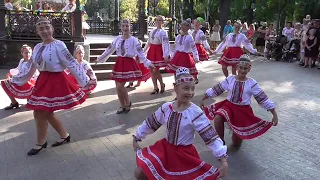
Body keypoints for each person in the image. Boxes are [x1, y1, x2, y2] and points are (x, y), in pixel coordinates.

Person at [12, 18, 94, 156]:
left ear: (52, 29)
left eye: (47, 27)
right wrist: (18, 79)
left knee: (39, 112)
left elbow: (71, 62)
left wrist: (85, 80)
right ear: (37, 32)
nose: (44, 31)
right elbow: (32, 67)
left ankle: (40, 142)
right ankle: (64, 135)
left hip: (55, 80)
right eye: (41, 29)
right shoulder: (37, 47)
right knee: (46, 112)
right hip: (42, 80)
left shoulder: (59, 45)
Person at [132, 67, 228, 180]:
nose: (190, 92)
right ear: (176, 87)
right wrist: (137, 136)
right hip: (165, 150)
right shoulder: (166, 108)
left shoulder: (195, 112)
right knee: (140, 172)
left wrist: (223, 160)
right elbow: (151, 123)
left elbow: (210, 136)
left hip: (184, 154)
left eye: (193, 89)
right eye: (186, 88)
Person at [200, 55, 278, 148]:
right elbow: (217, 89)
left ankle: (235, 131)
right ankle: (220, 142)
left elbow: (263, 98)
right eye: (241, 67)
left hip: (243, 111)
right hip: (228, 106)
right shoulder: (230, 79)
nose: (243, 70)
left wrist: (274, 115)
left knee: (236, 144)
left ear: (249, 69)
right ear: (237, 67)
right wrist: (203, 98)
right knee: (218, 117)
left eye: (245, 68)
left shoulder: (251, 83)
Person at [95, 19, 154, 114]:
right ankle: (122, 105)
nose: (125, 28)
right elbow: (109, 49)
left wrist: (148, 63)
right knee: (117, 86)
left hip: (128, 63)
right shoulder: (117, 39)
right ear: (120, 27)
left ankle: (128, 102)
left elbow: (141, 53)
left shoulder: (134, 40)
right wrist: (100, 58)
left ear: (130, 27)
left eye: (127, 26)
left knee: (120, 86)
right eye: (123, 26)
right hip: (119, 63)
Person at [1, 45, 39, 110]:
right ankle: (14, 102)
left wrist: (14, 80)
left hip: (30, 80)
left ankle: (31, 100)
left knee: (28, 85)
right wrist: (10, 73)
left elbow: (29, 74)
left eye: (29, 52)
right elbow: (18, 69)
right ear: (22, 53)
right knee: (5, 83)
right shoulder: (22, 61)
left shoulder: (32, 62)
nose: (28, 54)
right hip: (21, 79)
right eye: (26, 53)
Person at [166, 18, 200, 84]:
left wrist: (196, 57)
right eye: (181, 26)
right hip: (178, 55)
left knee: (187, 70)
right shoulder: (178, 36)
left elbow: (193, 48)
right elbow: (175, 47)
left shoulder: (189, 37)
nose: (182, 27)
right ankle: (176, 81)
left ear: (188, 27)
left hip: (185, 56)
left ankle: (190, 80)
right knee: (176, 69)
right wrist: (172, 56)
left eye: (183, 26)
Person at [143, 15, 170, 94]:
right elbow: (149, 42)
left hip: (158, 51)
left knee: (156, 70)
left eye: (160, 20)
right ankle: (155, 87)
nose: (158, 22)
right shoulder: (152, 31)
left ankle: (161, 84)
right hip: (152, 51)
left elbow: (165, 44)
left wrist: (166, 54)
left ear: (163, 22)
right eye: (157, 20)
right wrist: (144, 51)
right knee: (151, 69)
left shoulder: (163, 32)